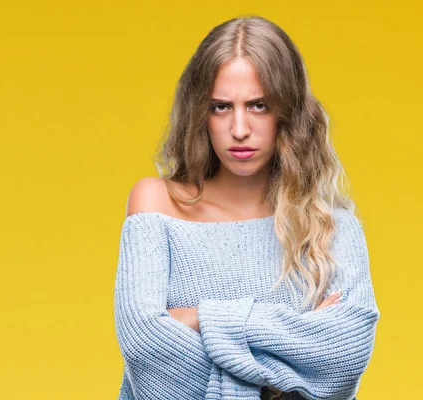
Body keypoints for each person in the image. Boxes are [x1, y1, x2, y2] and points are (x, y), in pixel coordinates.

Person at [113, 15, 381, 400]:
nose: (239, 128)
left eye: (258, 105)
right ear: (200, 114)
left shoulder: (333, 228)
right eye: (221, 107)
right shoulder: (156, 204)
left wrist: (198, 319)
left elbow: (342, 362)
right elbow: (149, 359)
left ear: (286, 112)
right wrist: (288, 363)